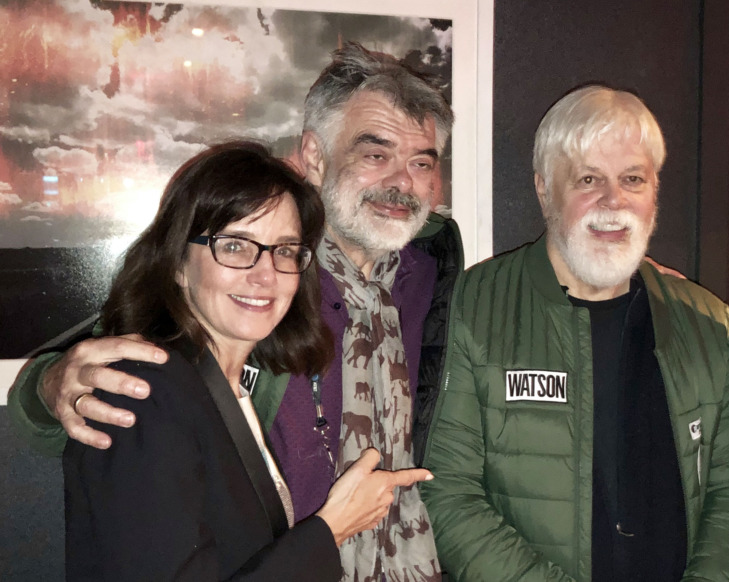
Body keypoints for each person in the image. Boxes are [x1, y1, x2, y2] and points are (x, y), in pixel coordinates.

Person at [8, 42, 460, 580]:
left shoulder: (435, 272)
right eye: (375, 153)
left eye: (421, 162)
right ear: (315, 155)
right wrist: (51, 382)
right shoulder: (261, 274)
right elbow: (119, 363)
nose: (402, 182)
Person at [419, 85, 729, 581]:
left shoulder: (707, 323)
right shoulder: (472, 306)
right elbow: (448, 492)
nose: (613, 200)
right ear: (543, 189)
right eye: (588, 178)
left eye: (633, 179)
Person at [63, 141, 433, 581]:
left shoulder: (227, 385)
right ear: (179, 262)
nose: (265, 274)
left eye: (284, 250)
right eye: (235, 246)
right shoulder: (142, 395)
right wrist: (330, 529)